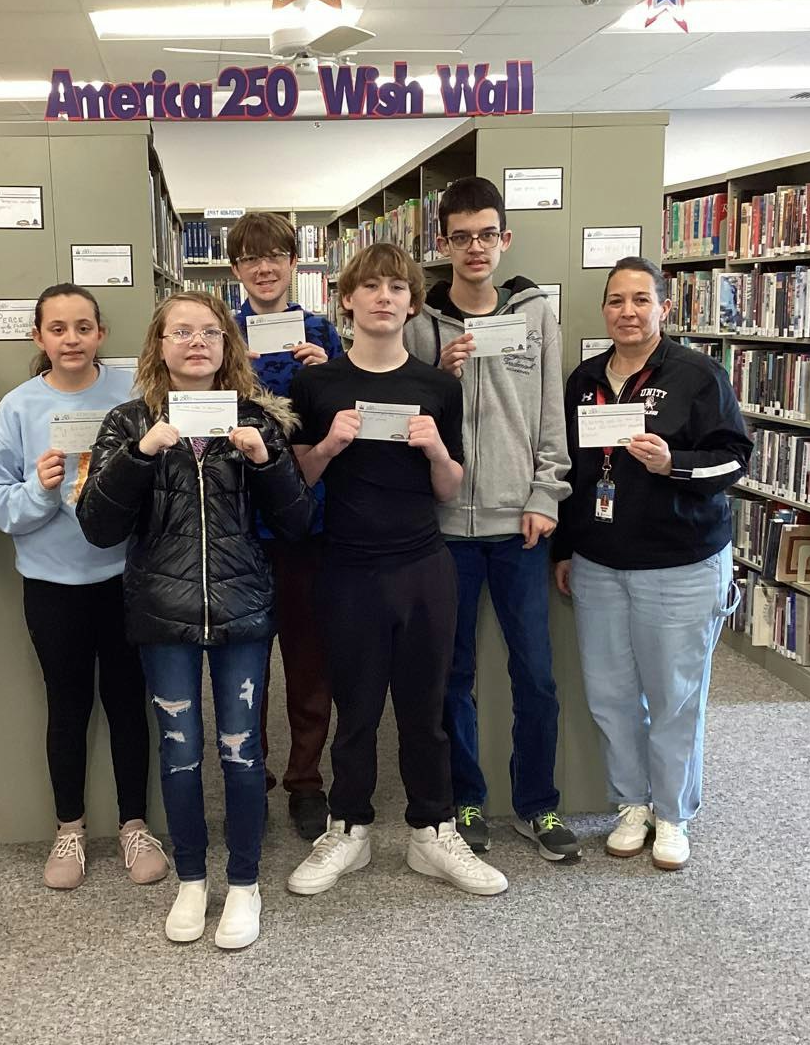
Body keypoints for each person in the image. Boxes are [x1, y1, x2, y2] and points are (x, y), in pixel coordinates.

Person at [76, 291, 314, 950]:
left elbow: (298, 523)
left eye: (209, 332)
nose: (196, 342)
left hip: (242, 612)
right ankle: (189, 879)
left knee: (242, 753)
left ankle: (243, 883)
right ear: (159, 346)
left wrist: (265, 464)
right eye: (181, 332)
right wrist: (144, 453)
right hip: (163, 613)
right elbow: (97, 526)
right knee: (179, 753)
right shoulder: (128, 423)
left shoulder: (257, 422)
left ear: (227, 347)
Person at [285, 242, 508, 898]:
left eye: (397, 289)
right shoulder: (317, 385)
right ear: (347, 300)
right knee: (354, 709)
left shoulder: (436, 386)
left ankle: (431, 832)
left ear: (413, 304)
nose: (384, 297)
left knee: (429, 709)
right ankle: (348, 828)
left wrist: (438, 447)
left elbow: (449, 487)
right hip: (348, 568)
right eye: (371, 287)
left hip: (423, 566)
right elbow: (297, 474)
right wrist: (330, 442)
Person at [551, 256, 751, 871]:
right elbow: (574, 474)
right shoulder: (584, 380)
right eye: (616, 301)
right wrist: (564, 549)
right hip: (599, 564)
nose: (628, 312)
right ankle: (631, 803)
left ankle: (673, 813)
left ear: (663, 307)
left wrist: (674, 465)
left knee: (674, 696)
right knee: (610, 695)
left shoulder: (699, 375)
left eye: (641, 300)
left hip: (680, 564)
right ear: (604, 310)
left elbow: (736, 460)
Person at [0, 283, 167, 892]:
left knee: (129, 703)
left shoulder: (134, 392)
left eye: (84, 327)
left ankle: (135, 824)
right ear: (39, 338)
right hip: (53, 583)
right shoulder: (20, 407)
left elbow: (164, 477)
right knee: (67, 704)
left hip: (125, 576)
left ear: (101, 333)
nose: (72, 339)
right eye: (58, 329)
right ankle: (70, 828)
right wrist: (39, 489)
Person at [404, 176, 577, 862]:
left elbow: (547, 415)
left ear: (504, 240)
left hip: (519, 526)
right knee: (453, 675)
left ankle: (539, 804)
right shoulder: (419, 321)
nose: (474, 248)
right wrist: (437, 373)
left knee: (535, 672)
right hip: (445, 531)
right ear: (442, 243)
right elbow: (407, 416)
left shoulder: (535, 313)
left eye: (486, 235)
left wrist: (545, 494)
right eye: (460, 237)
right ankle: (464, 796)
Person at [228, 211, 344, 840]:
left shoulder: (323, 330)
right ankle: (251, 776)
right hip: (239, 524)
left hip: (307, 523)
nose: (264, 267)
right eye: (251, 258)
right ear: (236, 269)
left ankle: (306, 781)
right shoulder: (218, 333)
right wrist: (229, 375)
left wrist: (327, 370)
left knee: (307, 660)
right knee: (245, 662)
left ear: (295, 262)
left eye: (276, 255)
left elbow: (350, 417)